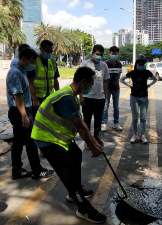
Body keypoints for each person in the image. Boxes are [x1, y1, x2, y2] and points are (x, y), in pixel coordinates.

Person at [31, 67, 106, 223]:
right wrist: (92, 146)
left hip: (57, 138)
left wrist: (94, 142)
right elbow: (79, 127)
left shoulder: (72, 94)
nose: (90, 87)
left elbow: (82, 124)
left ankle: (75, 191)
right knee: (67, 170)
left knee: (76, 155)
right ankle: (83, 208)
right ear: (83, 82)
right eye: (90, 84)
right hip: (45, 138)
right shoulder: (66, 98)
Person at [6, 48, 54, 180]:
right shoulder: (15, 73)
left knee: (19, 143)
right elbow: (18, 97)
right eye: (31, 62)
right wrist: (24, 116)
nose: (32, 65)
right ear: (24, 59)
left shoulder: (21, 71)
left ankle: (17, 170)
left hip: (22, 111)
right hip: (19, 112)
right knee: (30, 142)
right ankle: (37, 170)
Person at [120, 54, 157, 144]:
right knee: (135, 118)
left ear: (145, 63)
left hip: (144, 97)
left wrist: (149, 85)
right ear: (137, 63)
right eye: (139, 63)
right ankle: (134, 135)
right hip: (134, 97)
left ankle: (143, 135)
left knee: (143, 118)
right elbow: (122, 79)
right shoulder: (132, 72)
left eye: (142, 63)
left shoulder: (147, 72)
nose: (141, 65)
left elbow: (155, 79)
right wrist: (129, 86)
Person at [80, 44, 109, 147]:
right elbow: (79, 82)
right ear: (93, 53)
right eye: (97, 54)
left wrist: (105, 96)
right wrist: (81, 96)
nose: (99, 56)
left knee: (98, 120)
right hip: (87, 97)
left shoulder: (104, 65)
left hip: (99, 98)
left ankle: (96, 138)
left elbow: (105, 82)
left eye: (101, 55)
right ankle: (88, 141)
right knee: (86, 120)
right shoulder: (85, 64)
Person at [27, 40, 60, 114]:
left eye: (51, 51)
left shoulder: (52, 61)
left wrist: (58, 95)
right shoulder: (34, 62)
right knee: (38, 120)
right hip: (38, 98)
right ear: (41, 49)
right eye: (48, 51)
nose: (50, 53)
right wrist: (34, 99)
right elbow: (30, 82)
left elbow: (55, 80)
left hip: (50, 97)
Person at [101, 46, 123, 132]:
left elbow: (118, 76)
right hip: (106, 89)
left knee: (116, 107)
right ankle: (104, 123)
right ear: (109, 53)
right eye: (113, 54)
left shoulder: (119, 64)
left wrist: (116, 83)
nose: (114, 55)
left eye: (116, 54)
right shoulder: (105, 64)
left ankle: (116, 123)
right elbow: (103, 77)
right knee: (105, 107)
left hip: (116, 89)